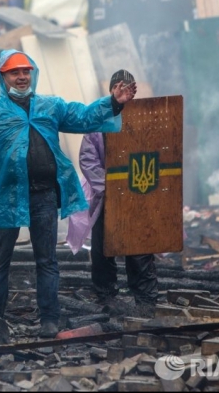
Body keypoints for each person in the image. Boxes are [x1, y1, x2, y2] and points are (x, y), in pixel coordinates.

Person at [0, 50, 137, 337]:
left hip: (44, 196)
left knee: (47, 260)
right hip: (7, 196)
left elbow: (84, 116)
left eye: (26, 71)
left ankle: (49, 319)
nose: (21, 77)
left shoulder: (51, 106)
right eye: (14, 72)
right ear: (3, 77)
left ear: (33, 74)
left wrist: (113, 103)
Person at [70, 70, 159, 306]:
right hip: (107, 197)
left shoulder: (141, 121)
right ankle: (106, 295)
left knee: (139, 247)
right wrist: (109, 187)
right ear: (111, 90)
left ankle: (144, 296)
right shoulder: (98, 122)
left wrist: (136, 189)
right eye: (119, 88)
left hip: (137, 196)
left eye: (128, 89)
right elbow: (88, 159)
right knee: (103, 248)